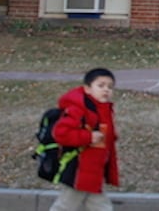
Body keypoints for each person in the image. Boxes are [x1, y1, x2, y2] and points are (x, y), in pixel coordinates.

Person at [48, 67, 121, 211]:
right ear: (87, 89)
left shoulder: (104, 110)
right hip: (79, 171)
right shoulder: (78, 109)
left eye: (110, 87)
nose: (106, 90)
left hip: (94, 172)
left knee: (100, 207)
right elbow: (60, 133)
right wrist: (88, 137)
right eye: (101, 85)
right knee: (64, 207)